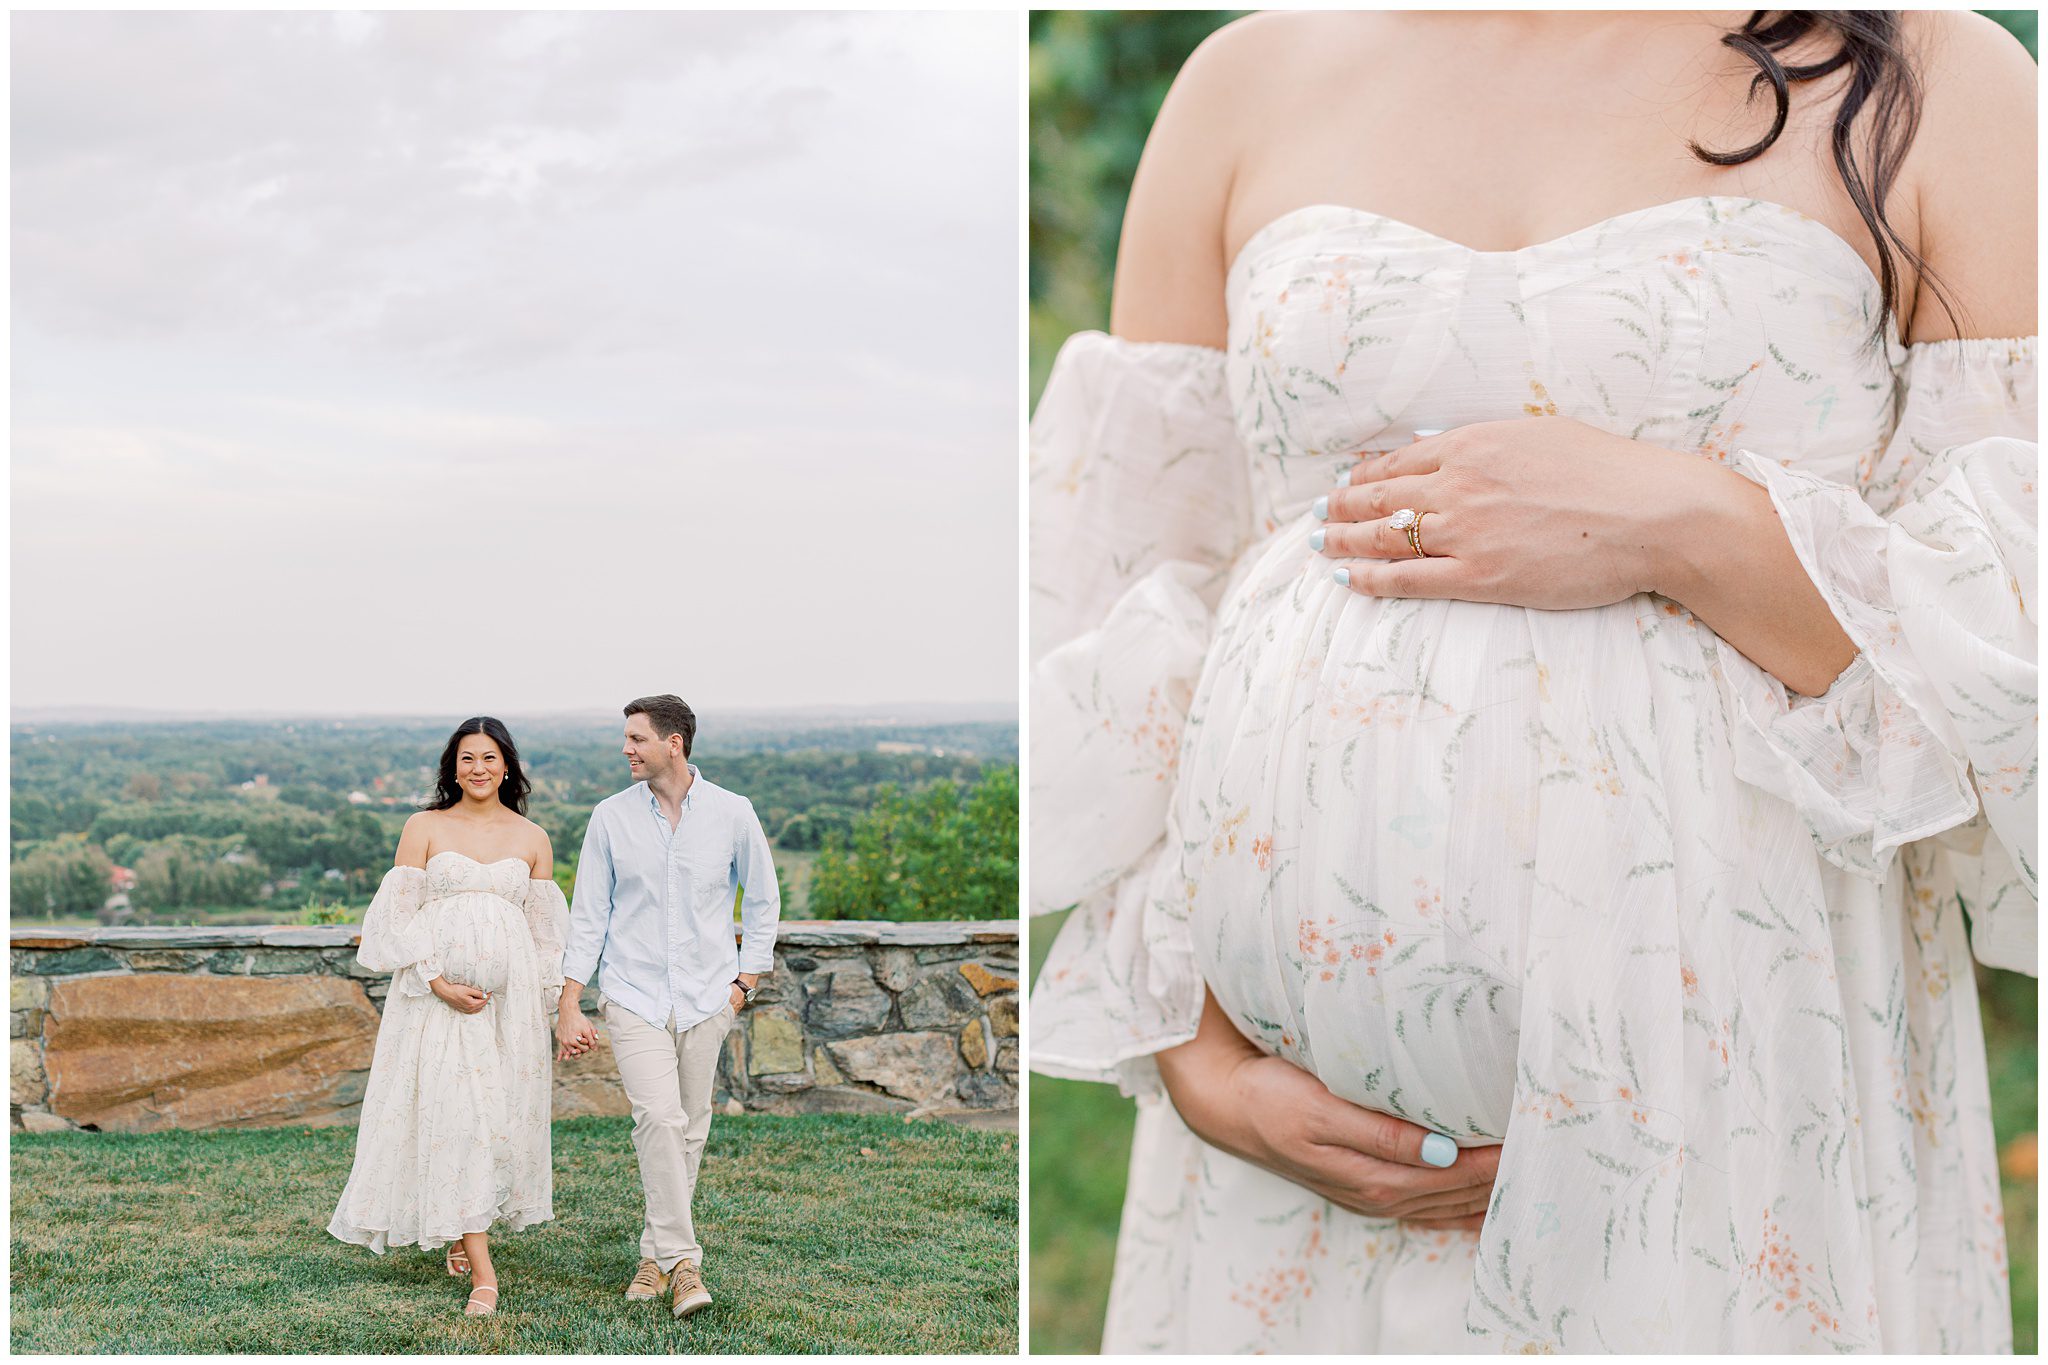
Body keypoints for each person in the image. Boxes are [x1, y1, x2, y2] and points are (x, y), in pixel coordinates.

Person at [1029, 10, 2035, 1353]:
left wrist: (1682, 523)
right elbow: (1142, 619)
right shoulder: (1244, 80)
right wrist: (1198, 1056)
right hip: (1300, 1189)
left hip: (1738, 1116)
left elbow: (2011, 659)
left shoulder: (1932, 79)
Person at [329, 717, 566, 1318]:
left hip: (506, 1013)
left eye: (489, 757)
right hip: (435, 1005)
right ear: (451, 768)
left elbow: (545, 939)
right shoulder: (424, 827)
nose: (478, 768)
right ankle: (484, 1274)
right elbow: (395, 919)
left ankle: (464, 1228)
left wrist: (559, 1010)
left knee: (492, 1121)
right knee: (455, 1115)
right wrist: (438, 982)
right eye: (466, 759)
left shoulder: (533, 837)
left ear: (507, 765)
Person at [555, 694, 781, 1320]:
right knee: (659, 1118)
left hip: (710, 997)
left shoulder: (734, 814)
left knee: (692, 1126)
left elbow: (763, 903)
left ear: (673, 742)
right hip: (633, 995)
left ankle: (654, 1257)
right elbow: (588, 914)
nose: (625, 749)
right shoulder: (609, 818)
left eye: (636, 738)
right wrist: (571, 999)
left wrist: (743, 987)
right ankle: (685, 1265)